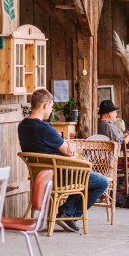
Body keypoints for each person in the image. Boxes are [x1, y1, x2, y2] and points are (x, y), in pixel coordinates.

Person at [18, 88, 109, 233]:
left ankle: (66, 213)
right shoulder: (46, 129)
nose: (51, 110)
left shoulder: (22, 126)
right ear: (45, 105)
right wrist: (68, 147)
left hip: (39, 176)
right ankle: (67, 214)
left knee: (84, 177)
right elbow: (67, 151)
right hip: (59, 175)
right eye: (52, 106)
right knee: (102, 182)